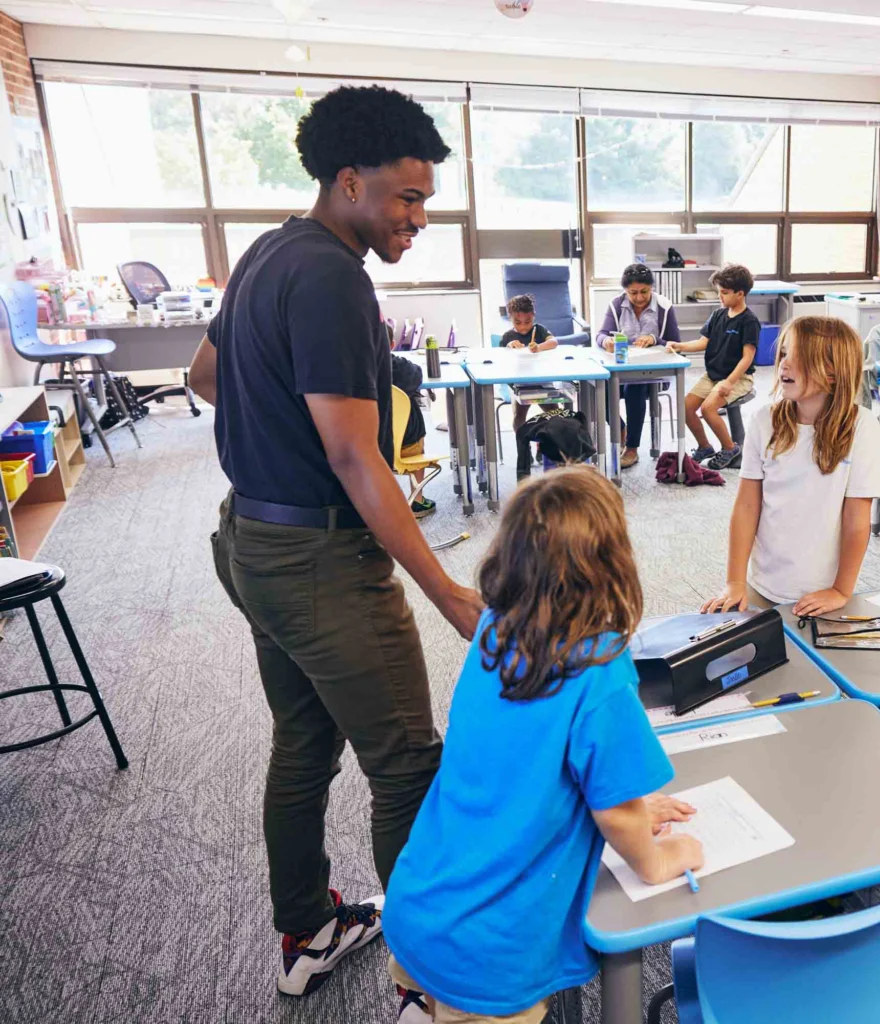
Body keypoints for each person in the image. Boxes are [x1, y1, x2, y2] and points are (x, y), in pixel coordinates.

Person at [188, 85, 482, 998]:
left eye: (426, 200)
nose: (418, 219)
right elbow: (361, 466)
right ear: (349, 181)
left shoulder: (271, 248)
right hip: (317, 563)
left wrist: (280, 426)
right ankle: (425, 981)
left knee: (304, 740)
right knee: (406, 765)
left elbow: (204, 375)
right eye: (406, 198)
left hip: (250, 541)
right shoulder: (331, 279)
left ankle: (308, 931)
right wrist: (447, 591)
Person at [383, 468, 704, 1024]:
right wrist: (659, 859)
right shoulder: (599, 672)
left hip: (421, 900)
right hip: (492, 951)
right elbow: (616, 815)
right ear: (612, 566)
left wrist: (624, 802)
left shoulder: (493, 629)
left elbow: (530, 761)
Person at [702, 316, 880, 617]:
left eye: (798, 356)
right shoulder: (764, 421)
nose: (784, 363)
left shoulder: (862, 427)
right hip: (762, 584)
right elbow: (747, 506)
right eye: (784, 353)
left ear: (833, 372)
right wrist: (734, 582)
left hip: (824, 591)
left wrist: (841, 590)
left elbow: (856, 519)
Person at [666, 263, 760, 471]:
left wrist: (729, 382)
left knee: (709, 409)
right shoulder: (717, 315)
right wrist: (679, 345)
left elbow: (747, 358)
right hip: (713, 376)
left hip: (738, 377)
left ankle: (729, 448)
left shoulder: (749, 321)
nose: (720, 297)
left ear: (740, 293)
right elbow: (702, 342)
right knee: (686, 407)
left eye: (724, 293)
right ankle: (705, 447)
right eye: (719, 292)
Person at [596, 263, 682, 470]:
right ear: (625, 291)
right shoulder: (616, 305)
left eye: (644, 291)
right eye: (633, 292)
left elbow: (676, 344)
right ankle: (621, 429)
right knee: (599, 389)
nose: (639, 297)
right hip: (621, 370)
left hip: (654, 372)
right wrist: (606, 341)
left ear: (651, 287)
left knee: (634, 388)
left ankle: (632, 448)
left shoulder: (664, 306)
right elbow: (600, 335)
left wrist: (654, 339)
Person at [501, 292, 565, 476]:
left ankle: (546, 444)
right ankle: (524, 448)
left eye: (527, 322)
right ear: (511, 319)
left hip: (542, 381)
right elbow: (499, 358)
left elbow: (554, 342)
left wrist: (539, 347)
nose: (522, 327)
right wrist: (508, 347)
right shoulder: (507, 337)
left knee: (555, 414)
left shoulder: (540, 330)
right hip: (520, 384)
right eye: (517, 322)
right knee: (519, 417)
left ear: (533, 316)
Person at [389, 353, 435, 518]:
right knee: (414, 433)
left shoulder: (347, 365)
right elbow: (416, 373)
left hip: (367, 446)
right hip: (406, 445)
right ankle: (417, 500)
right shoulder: (397, 366)